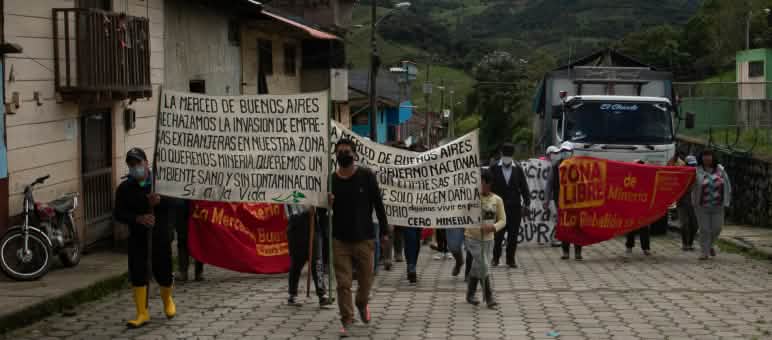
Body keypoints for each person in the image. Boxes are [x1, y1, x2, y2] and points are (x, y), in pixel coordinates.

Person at [328, 138, 389, 337]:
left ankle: (362, 304)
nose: (343, 154)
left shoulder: (366, 176)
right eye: (339, 151)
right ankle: (347, 318)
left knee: (366, 281)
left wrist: (384, 231)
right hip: (340, 239)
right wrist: (327, 203)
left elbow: (378, 204)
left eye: (346, 151)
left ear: (354, 154)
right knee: (343, 283)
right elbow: (323, 213)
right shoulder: (332, 180)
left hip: (364, 238)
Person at [114, 148, 175, 328]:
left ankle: (167, 300)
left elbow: (177, 203)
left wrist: (160, 201)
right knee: (138, 273)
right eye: (131, 165)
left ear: (146, 163)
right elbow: (119, 213)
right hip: (138, 238)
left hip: (160, 235)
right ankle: (142, 312)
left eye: (138, 163)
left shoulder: (160, 183)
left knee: (163, 271)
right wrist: (137, 218)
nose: (135, 168)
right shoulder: (124, 188)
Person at [465, 169, 505, 309]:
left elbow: (502, 220)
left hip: (489, 239)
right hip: (472, 238)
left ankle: (470, 294)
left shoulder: (497, 200)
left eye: (482, 182)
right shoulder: (471, 198)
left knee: (478, 266)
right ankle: (489, 298)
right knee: (484, 265)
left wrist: (493, 227)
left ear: (489, 183)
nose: (479, 185)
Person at [490, 143, 531, 268]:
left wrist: (527, 203)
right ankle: (495, 258)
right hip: (498, 207)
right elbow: (489, 186)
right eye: (505, 154)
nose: (507, 157)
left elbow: (524, 187)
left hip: (515, 207)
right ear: (501, 154)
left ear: (512, 155)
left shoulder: (518, 168)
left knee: (513, 235)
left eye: (509, 154)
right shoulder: (494, 168)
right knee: (498, 235)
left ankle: (510, 259)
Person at [286, 204, 332, 307]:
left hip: (314, 230)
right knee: (297, 264)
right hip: (297, 232)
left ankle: (322, 295)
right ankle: (292, 295)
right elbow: (291, 214)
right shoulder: (290, 192)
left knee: (317, 263)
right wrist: (306, 213)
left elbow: (324, 210)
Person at [545, 142, 583, 260]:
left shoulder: (579, 165)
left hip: (577, 202)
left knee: (577, 227)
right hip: (560, 201)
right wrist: (546, 200)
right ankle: (565, 251)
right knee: (564, 226)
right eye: (562, 151)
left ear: (572, 152)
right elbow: (549, 184)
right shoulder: (556, 166)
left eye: (567, 151)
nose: (564, 153)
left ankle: (578, 252)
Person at [691, 149, 731, 260]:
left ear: (713, 158)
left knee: (717, 228)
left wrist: (726, 201)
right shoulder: (696, 171)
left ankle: (710, 245)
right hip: (701, 205)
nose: (707, 159)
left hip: (718, 205)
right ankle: (704, 252)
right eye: (704, 157)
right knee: (704, 229)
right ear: (701, 159)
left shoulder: (720, 170)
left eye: (709, 157)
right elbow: (690, 185)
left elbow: (727, 186)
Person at [169, 198, 204, 282]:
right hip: (182, 206)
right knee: (182, 240)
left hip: (198, 203)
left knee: (199, 240)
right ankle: (183, 271)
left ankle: (198, 272)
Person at [625, 160, 652, 257]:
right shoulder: (629, 177)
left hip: (642, 206)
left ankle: (645, 248)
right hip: (632, 206)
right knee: (631, 227)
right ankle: (629, 246)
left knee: (644, 228)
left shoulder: (647, 179)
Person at [679, 155, 699, 251]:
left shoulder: (698, 175)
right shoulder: (680, 174)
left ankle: (690, 243)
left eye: (694, 165)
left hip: (695, 204)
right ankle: (684, 243)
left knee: (694, 225)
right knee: (684, 224)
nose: (692, 167)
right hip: (682, 203)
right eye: (690, 165)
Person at [545, 146, 563, 248]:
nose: (554, 155)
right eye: (552, 153)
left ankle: (558, 237)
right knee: (555, 219)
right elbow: (549, 184)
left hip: (559, 197)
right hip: (553, 198)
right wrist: (547, 199)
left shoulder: (558, 165)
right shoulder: (553, 167)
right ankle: (554, 238)